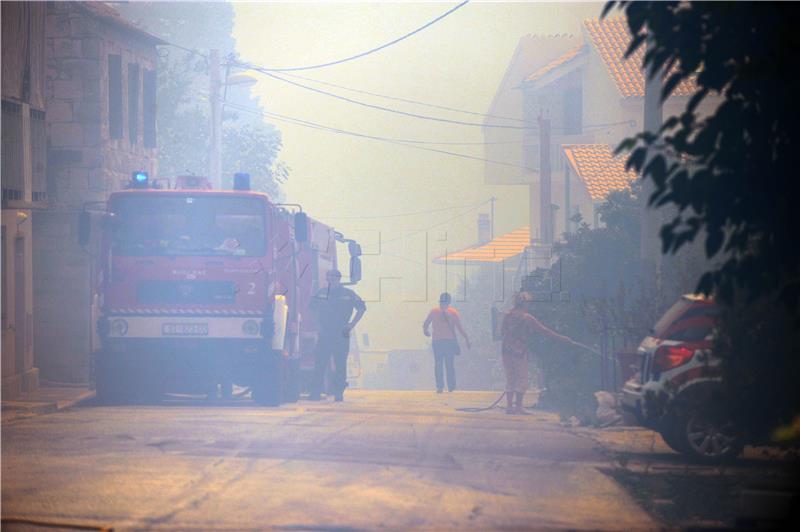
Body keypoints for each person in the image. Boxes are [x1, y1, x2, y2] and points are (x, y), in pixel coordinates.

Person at [501, 291, 579, 414]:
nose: (529, 305)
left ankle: (509, 407)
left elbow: (502, 332)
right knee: (522, 378)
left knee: (510, 378)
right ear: (524, 303)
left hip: (506, 350)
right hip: (519, 351)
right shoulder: (527, 318)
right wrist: (562, 338)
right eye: (529, 303)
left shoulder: (507, 316)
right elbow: (544, 330)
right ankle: (519, 407)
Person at [309, 269, 366, 402]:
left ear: (339, 278)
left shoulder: (348, 294)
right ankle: (315, 393)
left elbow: (362, 308)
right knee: (320, 363)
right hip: (325, 332)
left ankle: (338, 393)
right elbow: (312, 308)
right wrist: (317, 325)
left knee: (340, 364)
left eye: (334, 276)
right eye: (329, 276)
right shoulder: (321, 293)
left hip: (341, 332)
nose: (331, 279)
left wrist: (352, 324)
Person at [423, 292, 471, 393]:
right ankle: (451, 386)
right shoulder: (453, 312)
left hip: (437, 342)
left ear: (440, 300)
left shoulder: (434, 311)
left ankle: (440, 386)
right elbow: (460, 328)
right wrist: (467, 339)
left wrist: (426, 332)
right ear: (449, 301)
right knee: (450, 364)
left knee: (438, 364)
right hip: (449, 342)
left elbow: (425, 324)